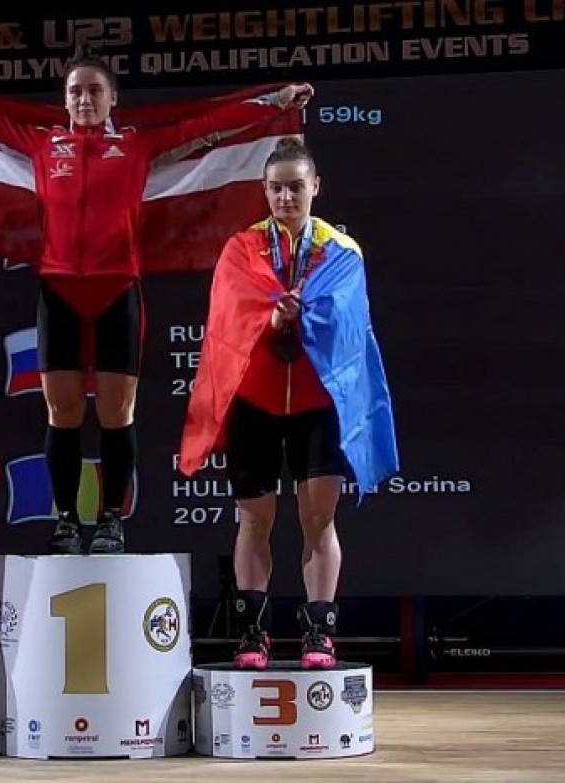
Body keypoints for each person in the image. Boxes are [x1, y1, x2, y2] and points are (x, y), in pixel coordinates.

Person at [0, 49, 314, 555]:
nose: (85, 100)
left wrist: (274, 102)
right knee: (63, 411)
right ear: (65, 99)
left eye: (95, 91)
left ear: (113, 98)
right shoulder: (44, 144)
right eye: (76, 91)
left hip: (117, 291)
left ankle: (112, 519)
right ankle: (67, 521)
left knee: (117, 412)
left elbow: (205, 125)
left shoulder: (136, 144)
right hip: (59, 291)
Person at [179, 139, 398, 669]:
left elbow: (348, 327)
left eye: (296, 187)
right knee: (253, 520)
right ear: (264, 189)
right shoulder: (241, 249)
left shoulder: (342, 252)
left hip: (317, 404)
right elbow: (229, 321)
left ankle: (319, 633)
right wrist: (269, 318)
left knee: (318, 519)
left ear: (315, 187)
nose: (285, 197)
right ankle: (253, 634)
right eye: (276, 188)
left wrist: (307, 316)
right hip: (255, 400)